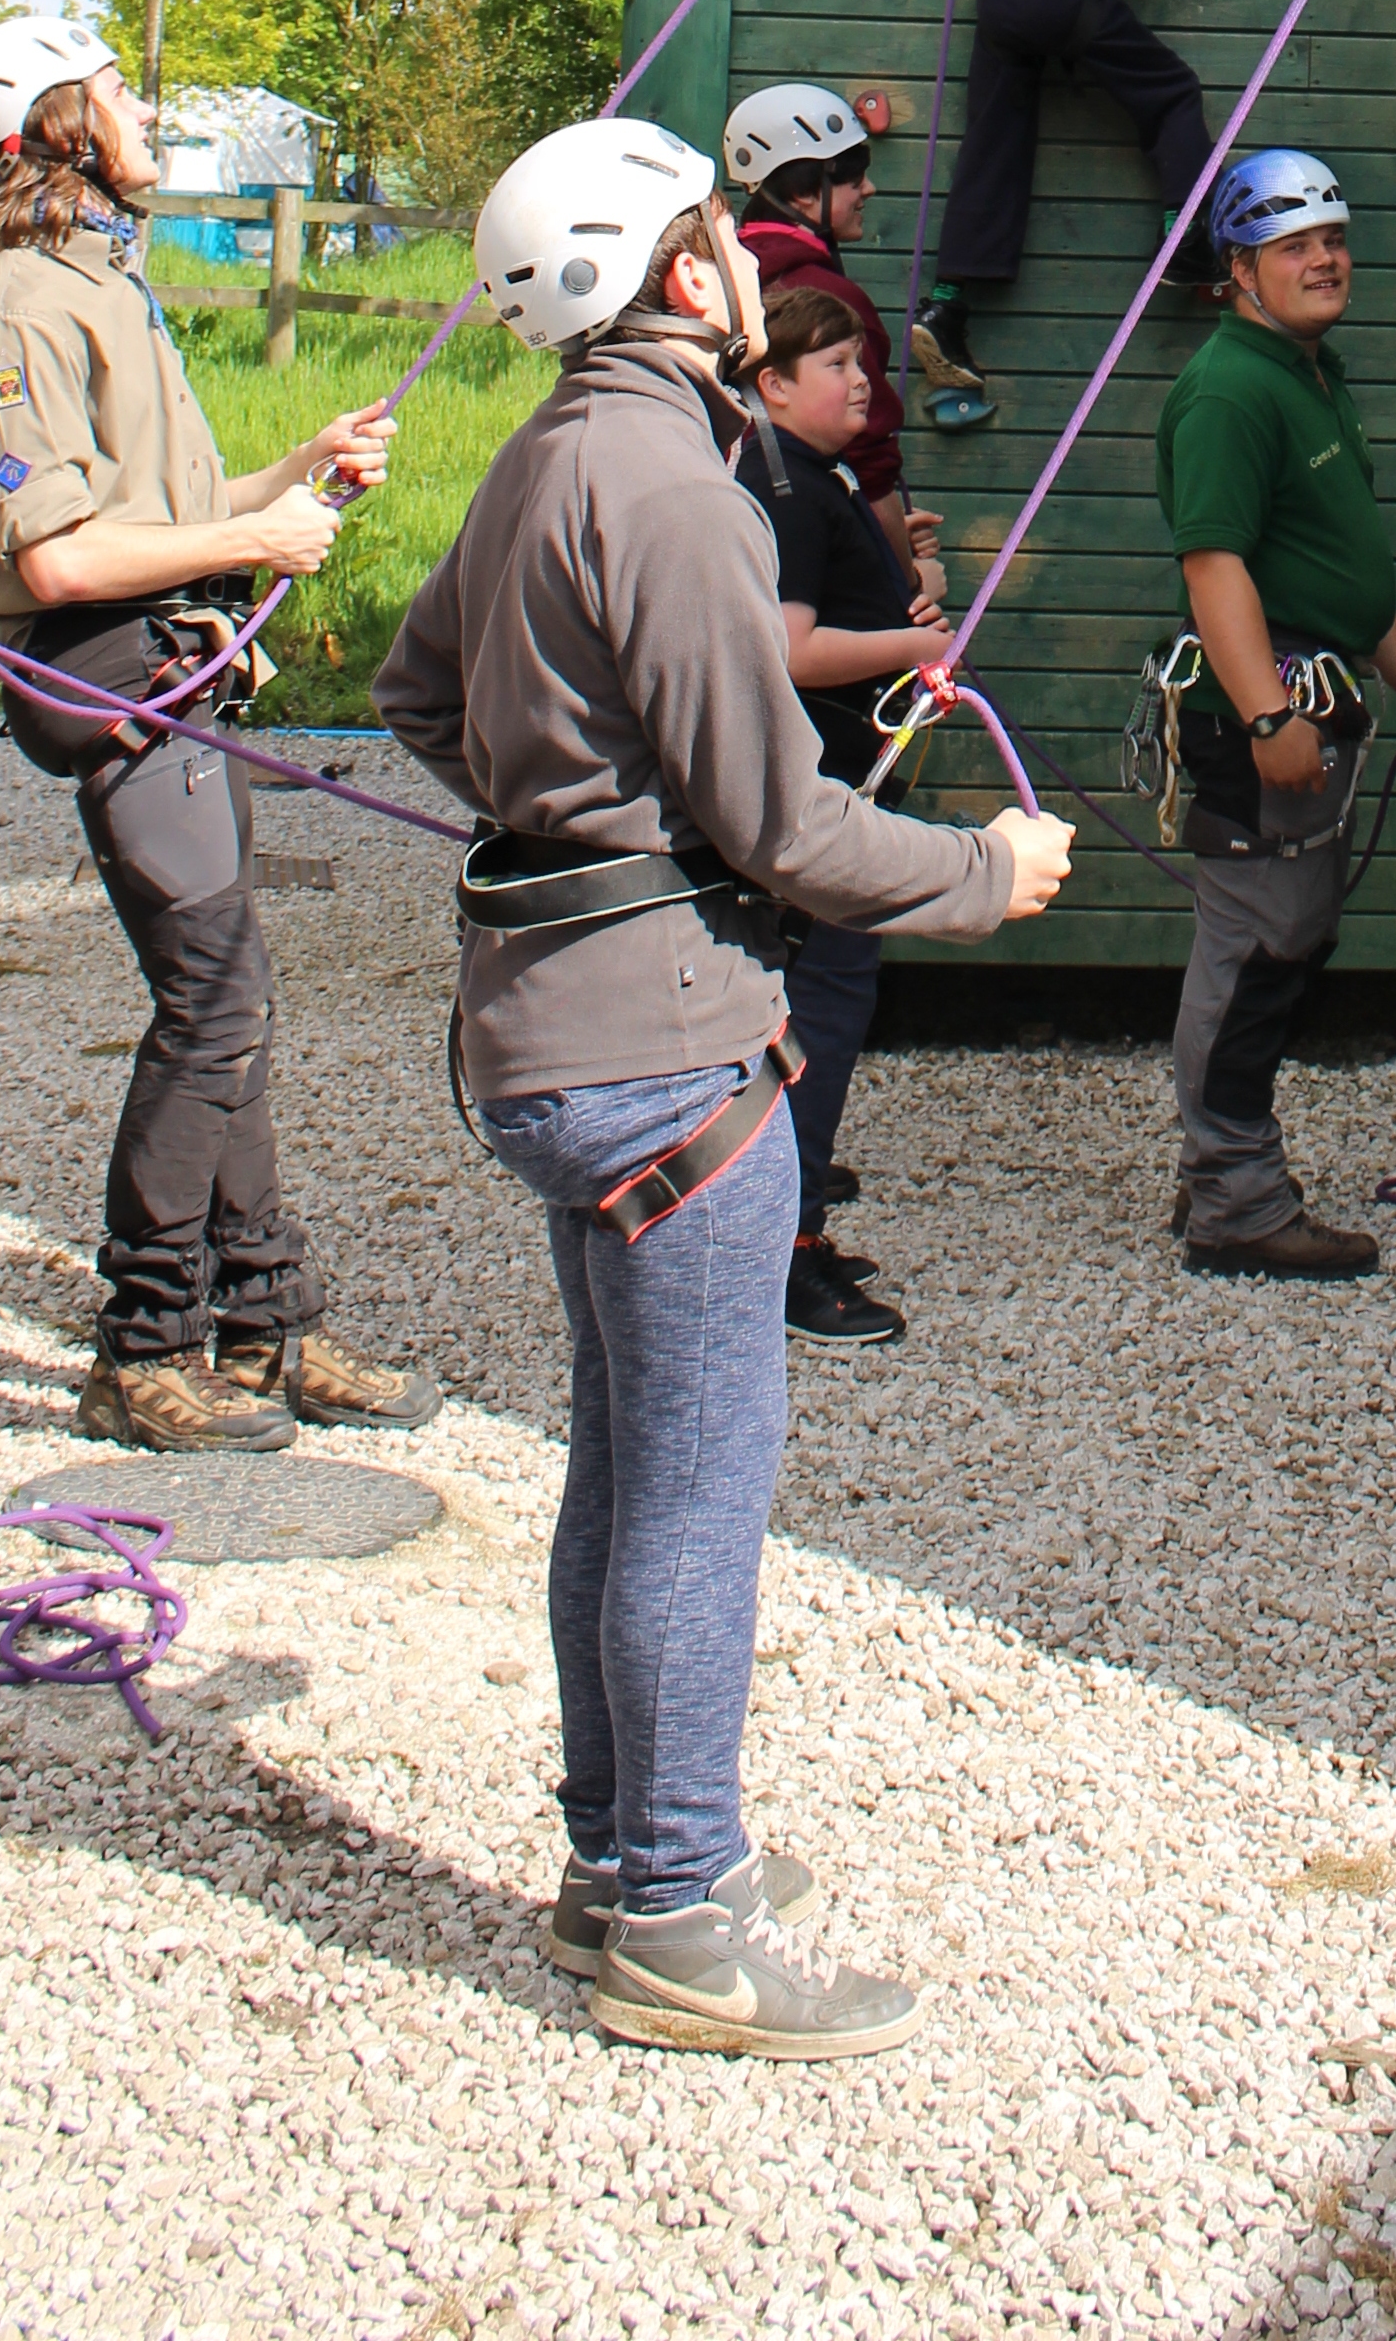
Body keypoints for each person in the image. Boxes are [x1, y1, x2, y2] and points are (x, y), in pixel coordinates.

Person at [375, 117, 1073, 2060]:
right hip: (668, 1057)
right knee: (694, 1493)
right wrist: (979, 877)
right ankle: (679, 1915)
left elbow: (428, 701)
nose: (746, 264)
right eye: (718, 238)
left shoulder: (543, 463)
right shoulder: (680, 496)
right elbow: (776, 826)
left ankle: (624, 1859)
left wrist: (576, 825)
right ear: (686, 278)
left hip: (555, 1036)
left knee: (626, 1461)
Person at [0, 10, 430, 1460]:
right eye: (113, 88)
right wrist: (257, 531)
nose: (141, 105)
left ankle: (264, 1320)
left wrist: (298, 472)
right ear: (59, 126)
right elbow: (61, 564)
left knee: (235, 1005)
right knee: (210, 1007)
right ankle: (141, 1346)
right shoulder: (21, 306)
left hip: (179, 680)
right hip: (116, 680)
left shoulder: (107, 284)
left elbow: (164, 517)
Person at [1150, 149, 1396, 1284]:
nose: (1326, 258)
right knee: (1257, 947)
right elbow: (1216, 564)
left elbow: (1330, 558)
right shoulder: (1230, 389)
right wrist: (1267, 711)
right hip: (1266, 710)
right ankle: (1233, 1199)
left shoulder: (1310, 372)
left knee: (1289, 938)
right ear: (1238, 269)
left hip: (1316, 692)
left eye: (1334, 237)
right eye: (1295, 245)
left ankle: (1223, 1179)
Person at [732, 283, 958, 1347]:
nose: (862, 379)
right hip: (823, 791)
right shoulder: (784, 487)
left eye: (863, 363)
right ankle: (787, 1248)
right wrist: (917, 649)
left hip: (839, 775)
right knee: (822, 1005)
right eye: (835, 366)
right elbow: (791, 649)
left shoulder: (808, 475)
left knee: (826, 1000)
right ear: (772, 384)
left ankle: (788, 1221)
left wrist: (909, 592)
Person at [906, 0, 1211, 420]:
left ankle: (947, 305)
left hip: (999, 7)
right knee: (1170, 92)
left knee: (992, 148)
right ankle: (1184, 236)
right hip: (1059, 0)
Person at [720, 85, 926, 564]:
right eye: (854, 180)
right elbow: (870, 462)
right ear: (803, 193)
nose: (867, 191)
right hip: (822, 543)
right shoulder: (828, 296)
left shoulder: (722, 279)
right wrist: (906, 581)